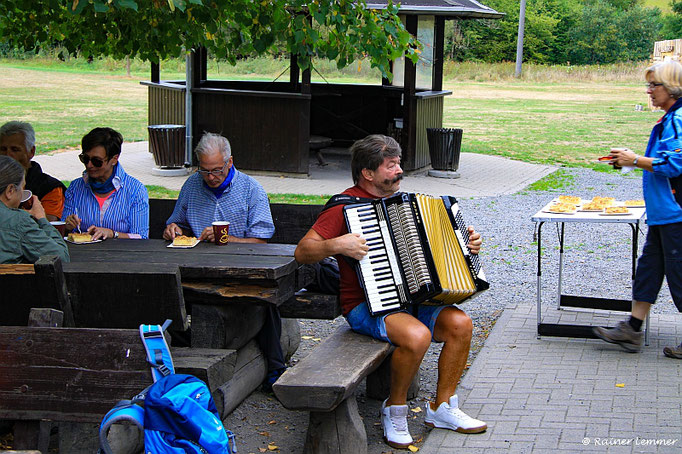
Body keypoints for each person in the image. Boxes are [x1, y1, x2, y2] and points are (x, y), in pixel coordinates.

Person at [294, 134, 486, 449]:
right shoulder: (343, 207)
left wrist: (468, 245)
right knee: (417, 336)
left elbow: (444, 246)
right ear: (367, 173)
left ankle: (442, 408)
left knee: (461, 324)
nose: (398, 171)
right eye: (391, 165)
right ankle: (394, 410)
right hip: (366, 305)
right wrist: (337, 244)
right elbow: (303, 251)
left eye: (398, 164)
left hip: (413, 300)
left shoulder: (405, 204)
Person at [163, 132, 284, 387]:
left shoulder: (251, 190)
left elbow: (261, 241)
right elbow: (178, 221)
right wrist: (173, 228)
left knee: (265, 299)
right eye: (204, 171)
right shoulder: (192, 185)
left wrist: (227, 240)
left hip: (242, 273)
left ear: (230, 162)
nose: (211, 177)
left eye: (217, 170)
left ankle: (275, 368)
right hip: (197, 270)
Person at [594, 60, 682, 360]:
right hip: (663, 214)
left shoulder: (678, 120)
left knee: (679, 276)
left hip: (676, 215)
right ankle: (632, 329)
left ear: (671, 87)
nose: (649, 91)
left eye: (653, 85)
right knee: (648, 272)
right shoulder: (669, 118)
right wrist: (630, 160)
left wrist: (635, 160)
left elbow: (675, 164)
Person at [62, 127, 149, 240]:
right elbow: (63, 230)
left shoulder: (135, 190)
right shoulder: (75, 188)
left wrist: (113, 234)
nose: (89, 165)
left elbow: (141, 237)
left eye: (96, 161)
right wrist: (67, 226)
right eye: (85, 159)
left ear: (114, 159)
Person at [0, 155, 69, 264]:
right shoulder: (18, 221)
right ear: (10, 191)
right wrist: (42, 219)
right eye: (22, 188)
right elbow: (60, 258)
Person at [0, 121, 66, 222]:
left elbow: (49, 226)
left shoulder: (50, 188)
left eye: (15, 150)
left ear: (31, 152)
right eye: (3, 149)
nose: (8, 155)